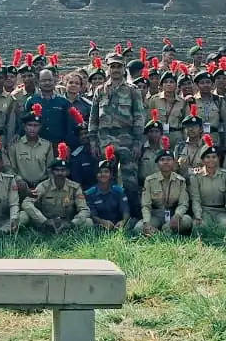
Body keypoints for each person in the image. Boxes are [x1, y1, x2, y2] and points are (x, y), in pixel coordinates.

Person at [88, 53, 146, 198]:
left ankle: (132, 214)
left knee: (130, 180)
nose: (115, 70)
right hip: (105, 141)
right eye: (112, 67)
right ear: (108, 68)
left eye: (118, 67)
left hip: (127, 140)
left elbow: (139, 117)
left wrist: (138, 142)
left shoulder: (133, 90)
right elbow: (93, 118)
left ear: (124, 68)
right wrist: (93, 142)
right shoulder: (100, 91)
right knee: (106, 179)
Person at [21, 144, 91, 233]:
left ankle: (72, 235)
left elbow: (84, 209)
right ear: (52, 172)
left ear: (68, 172)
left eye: (63, 170)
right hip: (47, 223)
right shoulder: (44, 186)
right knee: (23, 215)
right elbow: (26, 203)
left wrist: (72, 223)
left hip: (66, 223)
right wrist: (44, 221)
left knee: (89, 222)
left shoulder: (75, 187)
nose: (60, 173)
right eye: (57, 170)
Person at [135, 148, 192, 235]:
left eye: (169, 159)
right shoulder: (149, 180)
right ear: (157, 163)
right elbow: (146, 205)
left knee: (187, 220)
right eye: (162, 160)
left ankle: (159, 233)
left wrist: (177, 216)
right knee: (138, 228)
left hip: (174, 214)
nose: (165, 162)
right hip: (156, 215)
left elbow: (183, 203)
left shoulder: (180, 180)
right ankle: (163, 233)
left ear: (173, 162)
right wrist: (146, 222)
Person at [27, 69, 77, 147]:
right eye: (43, 80)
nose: (47, 83)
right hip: (37, 145)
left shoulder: (64, 102)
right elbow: (25, 123)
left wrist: (68, 145)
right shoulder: (31, 101)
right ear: (38, 82)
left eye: (50, 80)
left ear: (54, 81)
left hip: (58, 145)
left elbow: (69, 126)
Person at [8, 105, 53, 190]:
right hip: (21, 186)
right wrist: (18, 180)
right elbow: (10, 168)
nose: (32, 129)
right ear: (24, 126)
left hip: (42, 186)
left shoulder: (47, 145)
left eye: (36, 125)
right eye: (30, 125)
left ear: (40, 127)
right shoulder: (15, 145)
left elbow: (50, 169)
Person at [85, 150, 130, 231]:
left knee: (130, 224)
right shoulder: (90, 193)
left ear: (111, 175)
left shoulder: (118, 191)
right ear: (96, 175)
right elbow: (92, 214)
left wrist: (123, 221)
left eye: (106, 172)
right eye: (100, 172)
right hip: (99, 224)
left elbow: (125, 210)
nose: (103, 175)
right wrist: (102, 222)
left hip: (117, 223)